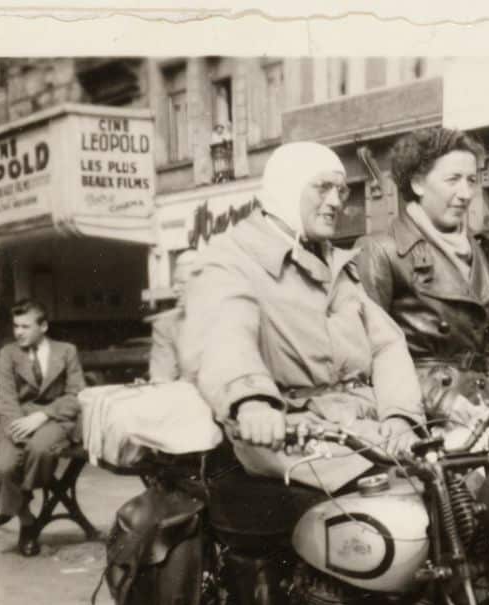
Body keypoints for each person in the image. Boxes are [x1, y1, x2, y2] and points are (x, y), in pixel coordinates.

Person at [179, 141, 424, 494]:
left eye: (341, 190)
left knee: (450, 490)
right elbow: (224, 333)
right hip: (289, 436)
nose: (338, 201)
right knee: (376, 517)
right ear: (286, 188)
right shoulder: (232, 258)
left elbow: (387, 344)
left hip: (362, 427)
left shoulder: (337, 262)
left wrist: (400, 415)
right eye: (322, 187)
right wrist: (252, 400)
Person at [356, 127, 489, 427]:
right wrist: (439, 399)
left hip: (477, 413)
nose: (466, 193)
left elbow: (484, 350)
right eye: (453, 180)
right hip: (418, 421)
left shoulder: (475, 249)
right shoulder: (381, 250)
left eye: (472, 180)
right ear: (418, 183)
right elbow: (366, 358)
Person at [0, 299, 87, 556]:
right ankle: (24, 514)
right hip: (17, 421)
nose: (18, 332)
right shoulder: (8, 354)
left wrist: (44, 415)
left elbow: (77, 394)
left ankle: (16, 511)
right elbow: (7, 400)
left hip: (54, 419)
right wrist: (20, 431)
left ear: (43, 326)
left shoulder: (66, 351)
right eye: (15, 326)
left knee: (41, 450)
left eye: (25, 326)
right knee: (3, 468)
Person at [147, 248, 199, 383]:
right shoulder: (166, 325)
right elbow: (161, 377)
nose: (175, 289)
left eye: (182, 283)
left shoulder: (230, 318)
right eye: (174, 283)